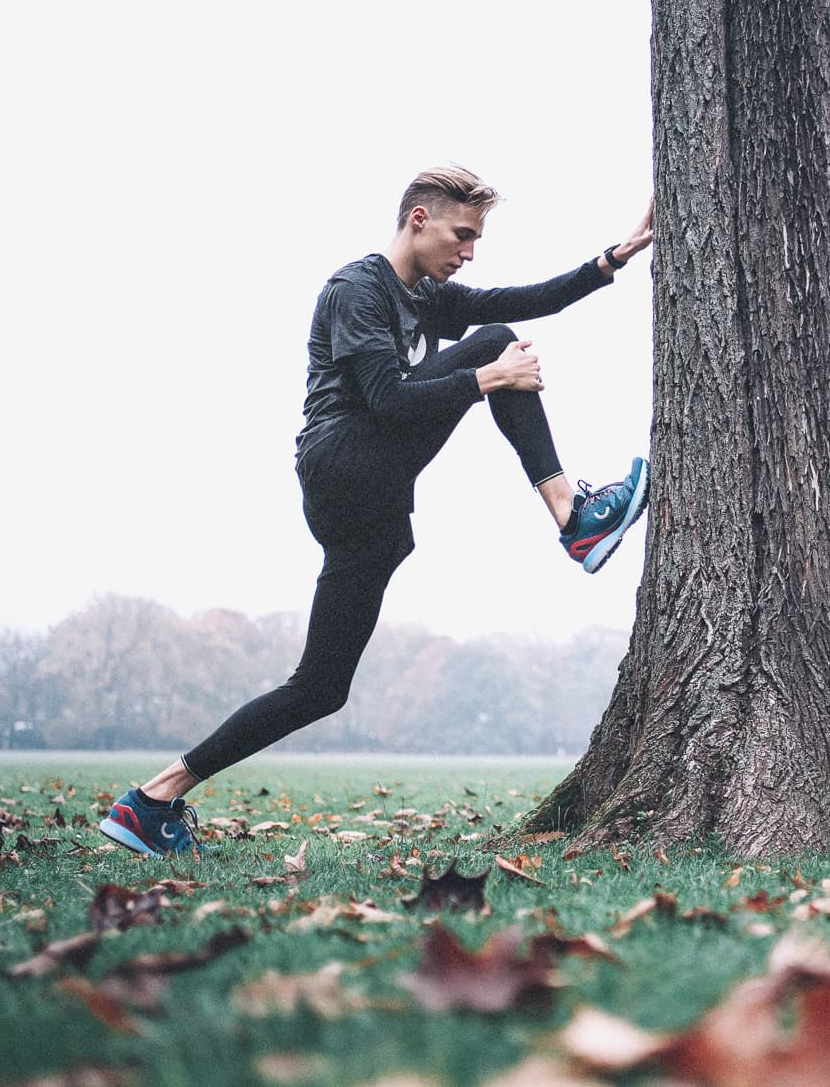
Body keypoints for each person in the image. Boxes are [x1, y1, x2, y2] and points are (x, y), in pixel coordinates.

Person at [100, 165, 654, 858]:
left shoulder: (429, 297)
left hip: (370, 508)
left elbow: (523, 294)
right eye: (462, 234)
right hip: (340, 465)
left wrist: (614, 257)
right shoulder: (356, 290)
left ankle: (152, 799)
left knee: (320, 686)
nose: (471, 252)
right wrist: (489, 376)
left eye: (476, 239)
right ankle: (574, 518)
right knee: (493, 345)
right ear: (417, 219)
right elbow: (387, 399)